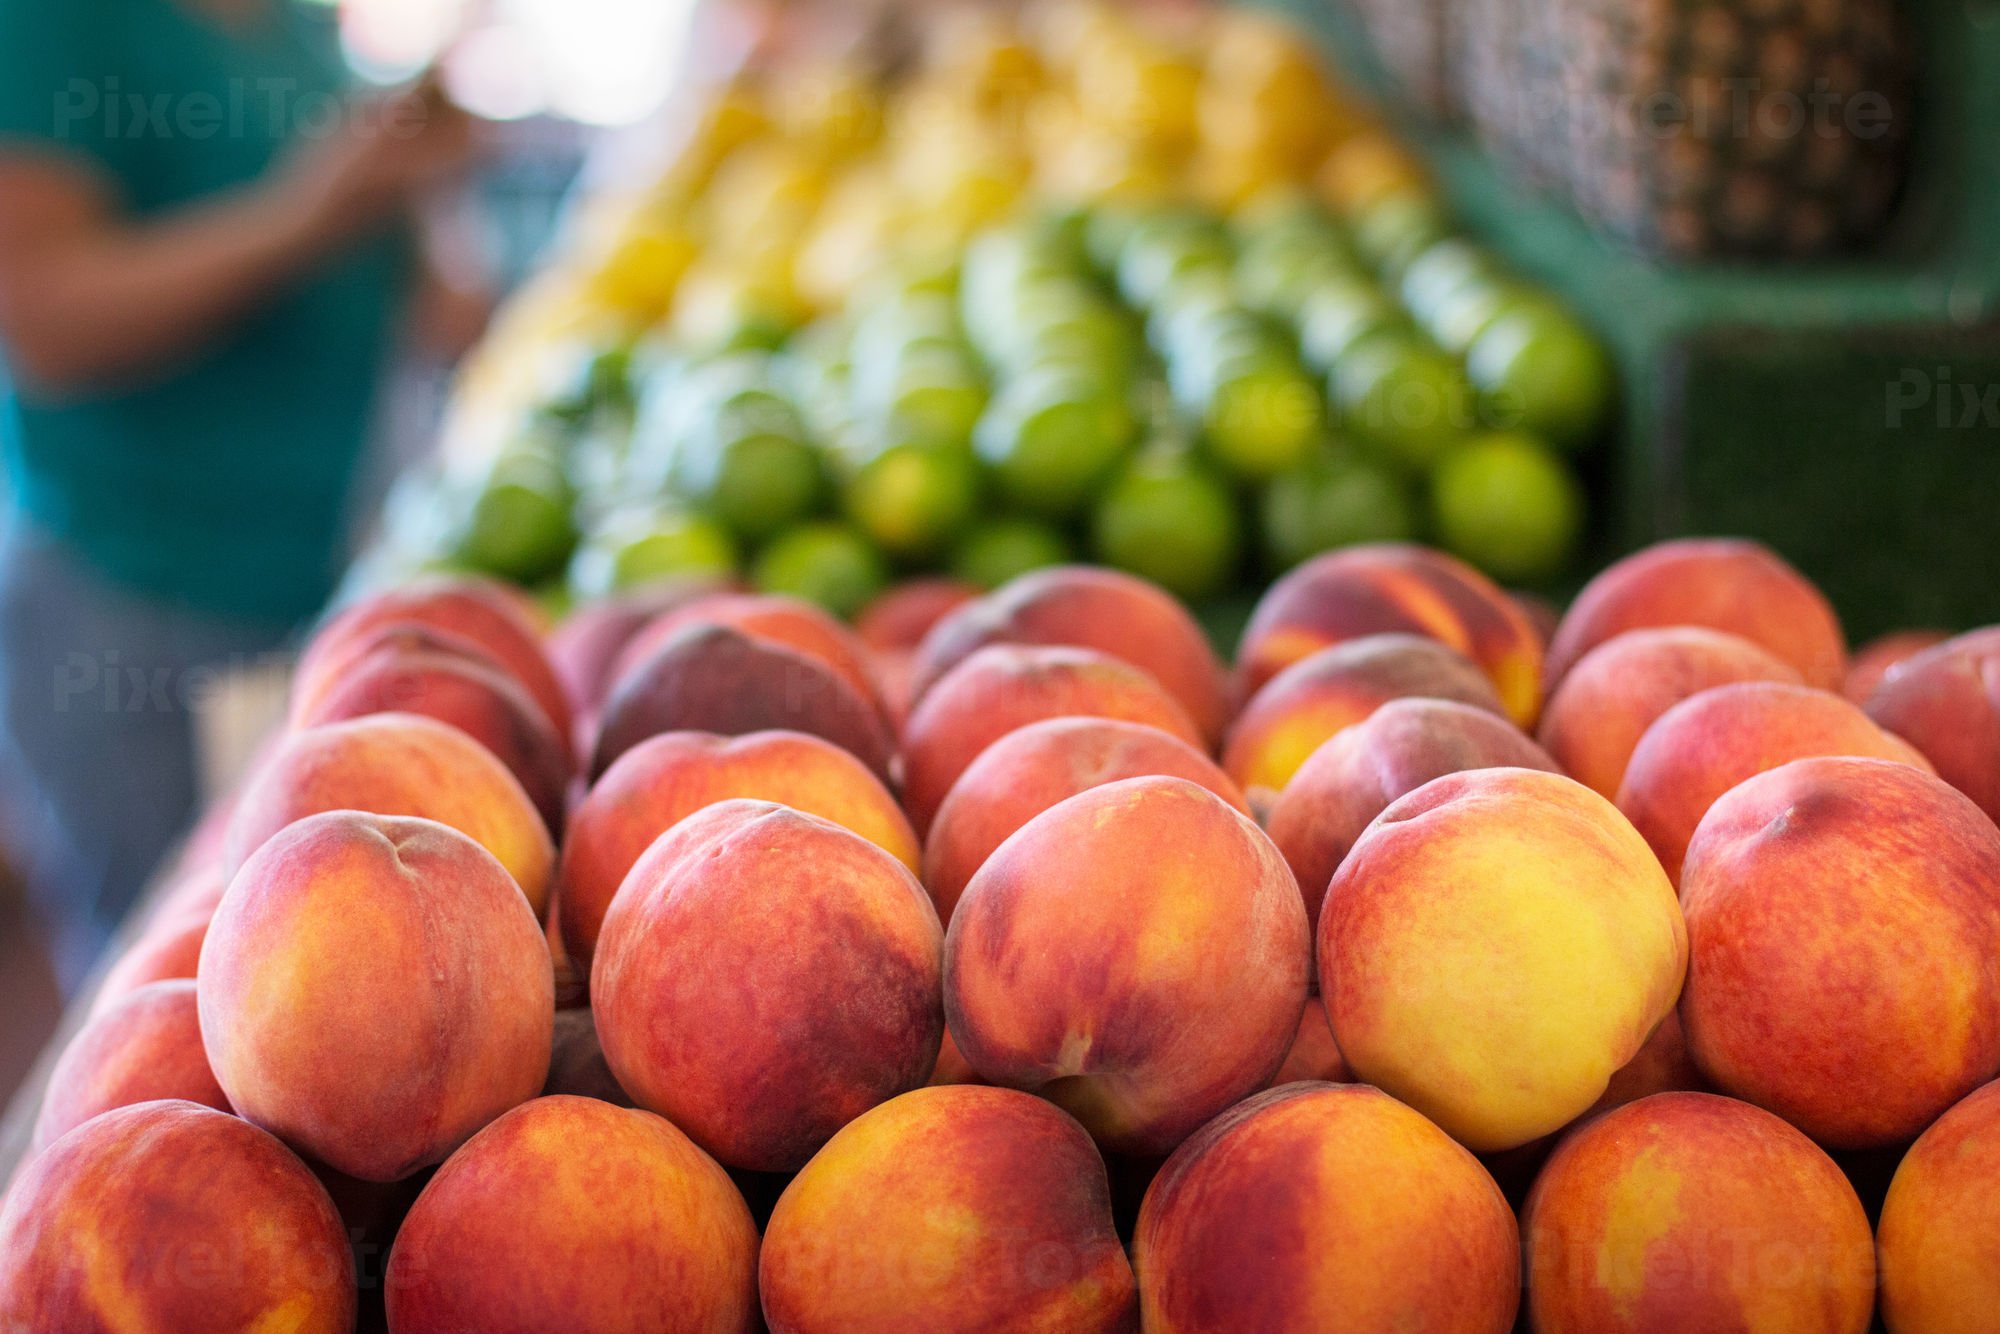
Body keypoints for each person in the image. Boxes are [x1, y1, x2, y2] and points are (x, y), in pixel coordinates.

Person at [0, 0, 480, 988]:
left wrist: (417, 190)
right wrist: (303, 216)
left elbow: (429, 304)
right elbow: (42, 323)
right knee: (164, 977)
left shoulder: (297, 23)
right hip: (135, 590)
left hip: (304, 582)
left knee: (285, 956)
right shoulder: (52, 25)